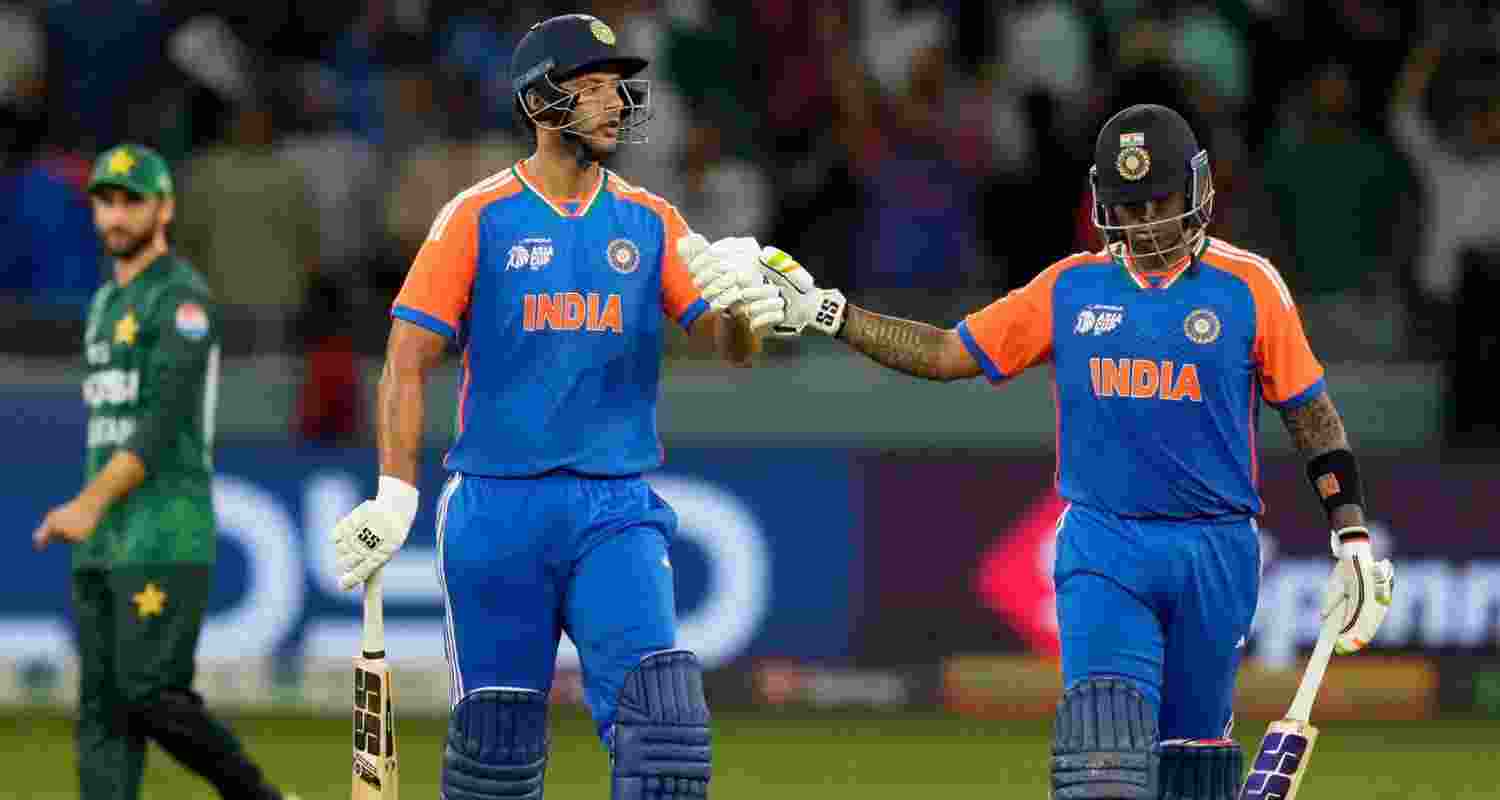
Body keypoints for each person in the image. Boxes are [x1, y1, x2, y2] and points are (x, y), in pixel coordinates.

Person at [751, 104, 1396, 800]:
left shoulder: (1251, 287)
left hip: (1217, 554)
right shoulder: (1069, 287)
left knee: (1196, 770)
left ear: (1197, 192)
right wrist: (829, 313)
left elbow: (1313, 417)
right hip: (1104, 545)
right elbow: (946, 353)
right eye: (1129, 205)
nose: (1146, 222)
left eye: (1160, 202)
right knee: (1103, 755)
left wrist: (1351, 535)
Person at [328, 13, 784, 800]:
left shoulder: (652, 220)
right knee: (496, 759)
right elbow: (405, 362)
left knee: (665, 735)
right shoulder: (477, 216)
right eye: (593, 88)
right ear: (541, 102)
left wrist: (748, 312)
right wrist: (396, 494)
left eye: (618, 87)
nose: (615, 103)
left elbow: (729, 347)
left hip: (616, 509)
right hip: (495, 512)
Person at [32, 144, 289, 800]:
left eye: (131, 201)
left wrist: (87, 504)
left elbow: (158, 425)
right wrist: (92, 514)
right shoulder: (101, 304)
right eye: (105, 201)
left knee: (151, 694)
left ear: (164, 208)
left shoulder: (181, 300)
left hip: (164, 529)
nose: (116, 216)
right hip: (103, 540)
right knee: (102, 711)